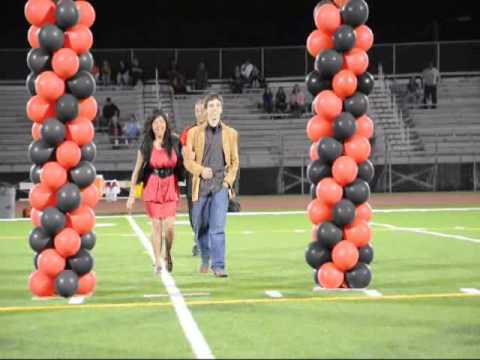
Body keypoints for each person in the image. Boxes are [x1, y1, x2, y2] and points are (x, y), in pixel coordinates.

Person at [184, 93, 239, 277]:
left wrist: (227, 182)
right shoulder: (193, 133)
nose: (214, 109)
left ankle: (219, 266)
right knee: (200, 226)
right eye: (211, 106)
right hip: (200, 185)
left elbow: (234, 162)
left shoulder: (231, 134)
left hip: (220, 185)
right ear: (206, 110)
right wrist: (200, 170)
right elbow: (187, 162)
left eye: (217, 105)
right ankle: (206, 256)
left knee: (217, 227)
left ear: (221, 109)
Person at [127, 109, 184, 274]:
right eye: (155, 123)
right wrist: (132, 194)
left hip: (170, 186)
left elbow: (185, 160)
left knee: (170, 227)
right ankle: (158, 260)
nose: (159, 125)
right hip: (152, 187)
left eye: (161, 122)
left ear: (166, 124)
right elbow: (136, 170)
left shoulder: (174, 140)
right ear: (151, 126)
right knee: (156, 225)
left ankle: (168, 252)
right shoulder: (146, 143)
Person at [180, 98, 207, 257]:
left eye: (201, 110)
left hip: (210, 178)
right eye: (196, 110)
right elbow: (186, 156)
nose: (199, 113)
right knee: (193, 213)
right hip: (193, 178)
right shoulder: (188, 132)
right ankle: (198, 239)